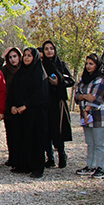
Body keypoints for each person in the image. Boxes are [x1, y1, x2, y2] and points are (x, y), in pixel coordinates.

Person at [8, 47, 49, 179]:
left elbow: (40, 94)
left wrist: (26, 105)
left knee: (35, 139)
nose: (26, 58)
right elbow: (13, 90)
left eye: (29, 56)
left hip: (35, 113)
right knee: (21, 137)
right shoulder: (20, 73)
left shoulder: (39, 74)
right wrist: (13, 105)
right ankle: (23, 165)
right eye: (25, 55)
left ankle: (37, 167)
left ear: (35, 58)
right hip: (20, 113)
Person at [74, 53, 104, 179]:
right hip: (86, 116)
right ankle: (91, 165)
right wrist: (84, 96)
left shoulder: (100, 80)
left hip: (97, 115)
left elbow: (94, 98)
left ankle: (101, 167)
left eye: (91, 64)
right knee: (90, 142)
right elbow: (77, 95)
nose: (88, 66)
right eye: (87, 63)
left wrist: (85, 105)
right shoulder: (84, 79)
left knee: (99, 142)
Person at [41, 40, 75, 168]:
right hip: (45, 100)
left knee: (58, 130)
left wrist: (59, 83)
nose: (49, 51)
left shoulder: (61, 64)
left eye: (51, 48)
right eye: (46, 49)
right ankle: (50, 157)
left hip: (58, 101)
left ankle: (62, 155)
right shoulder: (41, 64)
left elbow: (71, 80)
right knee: (46, 130)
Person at [1, 47, 22, 168]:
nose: (13, 59)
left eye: (15, 56)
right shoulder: (5, 70)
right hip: (9, 106)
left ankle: (21, 158)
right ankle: (12, 158)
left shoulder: (24, 69)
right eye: (10, 57)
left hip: (22, 107)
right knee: (10, 134)